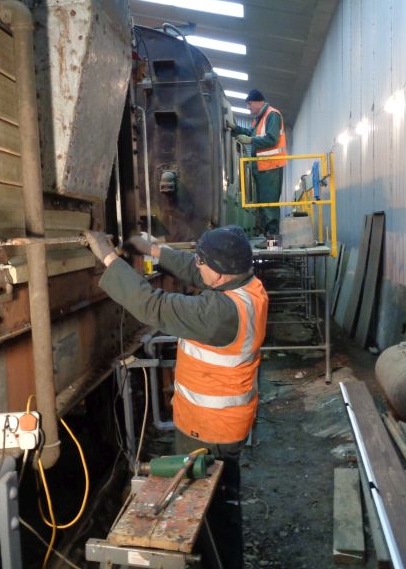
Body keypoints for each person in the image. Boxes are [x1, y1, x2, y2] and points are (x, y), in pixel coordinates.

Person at [83, 227, 268, 568]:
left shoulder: (218, 314)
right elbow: (194, 268)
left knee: (209, 514)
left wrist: (109, 258)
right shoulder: (245, 286)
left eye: (202, 262)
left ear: (220, 271)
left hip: (209, 429)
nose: (197, 266)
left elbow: (152, 304)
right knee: (219, 503)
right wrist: (152, 249)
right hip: (221, 423)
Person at [228, 89, 287, 237]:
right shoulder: (259, 119)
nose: (248, 107)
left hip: (270, 167)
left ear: (259, 102)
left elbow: (271, 139)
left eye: (249, 104)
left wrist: (251, 140)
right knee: (264, 206)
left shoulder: (272, 115)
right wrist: (236, 128)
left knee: (269, 206)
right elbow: (251, 132)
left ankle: (273, 244)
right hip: (263, 168)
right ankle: (269, 240)